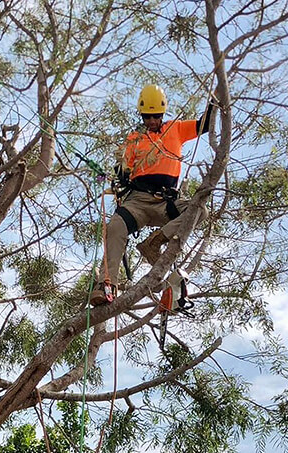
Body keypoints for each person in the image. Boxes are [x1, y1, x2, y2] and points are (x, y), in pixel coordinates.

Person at [90, 84, 212, 306]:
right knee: (116, 226)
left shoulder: (175, 128)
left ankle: (154, 242)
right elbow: (122, 168)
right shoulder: (135, 139)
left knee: (200, 211)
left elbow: (204, 125)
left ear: (163, 114)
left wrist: (215, 101)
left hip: (166, 202)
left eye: (156, 116)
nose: (152, 121)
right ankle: (107, 285)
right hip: (138, 200)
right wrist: (121, 175)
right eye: (147, 117)